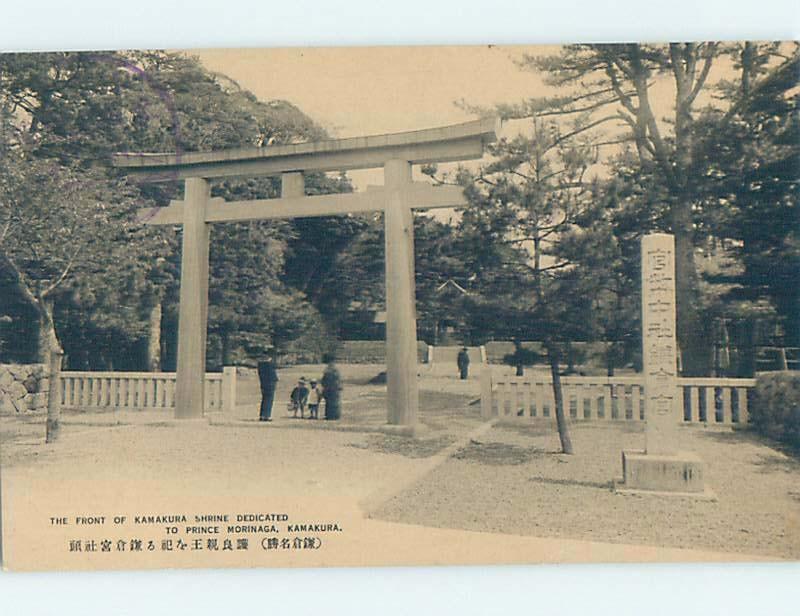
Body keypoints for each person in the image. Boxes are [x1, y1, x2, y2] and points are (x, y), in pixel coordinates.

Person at [257, 357, 279, 422]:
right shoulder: (269, 365)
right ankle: (267, 415)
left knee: (264, 399)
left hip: (263, 383)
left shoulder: (260, 365)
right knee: (269, 400)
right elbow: (273, 376)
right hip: (270, 384)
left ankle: (262, 415)